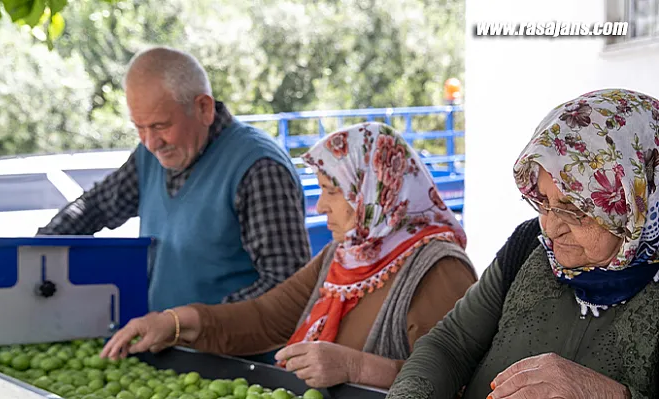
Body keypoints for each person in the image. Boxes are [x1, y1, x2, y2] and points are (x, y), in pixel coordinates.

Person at [100, 122, 477, 389]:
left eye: (332, 191)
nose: (319, 207)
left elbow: (456, 378)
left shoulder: (439, 268)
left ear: (374, 192)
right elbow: (267, 318)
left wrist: (355, 367)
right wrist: (173, 323)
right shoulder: (342, 256)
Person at [387, 88, 659, 399]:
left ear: (637, 202)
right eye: (542, 201)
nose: (551, 227)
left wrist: (607, 394)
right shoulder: (531, 245)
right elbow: (450, 344)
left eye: (574, 209)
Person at [38, 46, 311, 313]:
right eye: (139, 128)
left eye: (160, 126)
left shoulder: (258, 168)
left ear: (204, 108)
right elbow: (94, 208)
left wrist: (191, 323)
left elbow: (287, 287)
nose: (151, 142)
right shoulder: (149, 159)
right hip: (168, 348)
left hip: (235, 357)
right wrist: (33, 253)